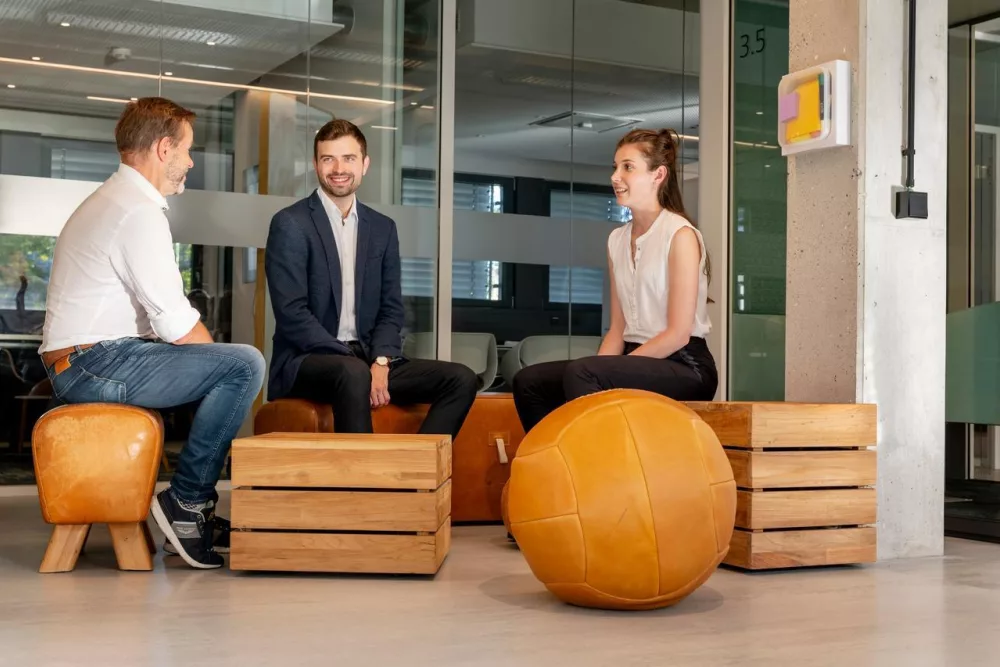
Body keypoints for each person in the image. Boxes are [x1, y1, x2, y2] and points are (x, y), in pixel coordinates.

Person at [39, 97, 265, 570]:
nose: (190, 161)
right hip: (95, 363)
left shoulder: (113, 200)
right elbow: (177, 324)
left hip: (85, 360)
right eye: (186, 149)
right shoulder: (137, 212)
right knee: (244, 364)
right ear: (163, 148)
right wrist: (222, 371)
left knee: (226, 366)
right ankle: (186, 503)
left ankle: (191, 507)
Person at [265, 119, 477, 438]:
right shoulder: (291, 224)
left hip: (367, 356)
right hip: (308, 360)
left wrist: (380, 361)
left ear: (365, 164)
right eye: (328, 159)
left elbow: (391, 308)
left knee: (461, 378)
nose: (339, 168)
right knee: (352, 372)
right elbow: (293, 315)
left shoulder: (382, 228)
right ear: (315, 164)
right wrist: (355, 362)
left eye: (349, 158)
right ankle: (361, 484)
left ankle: (414, 473)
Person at [512, 128, 718, 432]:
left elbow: (677, 334)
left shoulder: (680, 235)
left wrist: (606, 370)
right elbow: (618, 329)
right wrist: (603, 368)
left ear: (657, 175)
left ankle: (596, 467)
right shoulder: (617, 240)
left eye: (628, 167)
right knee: (529, 381)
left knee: (584, 372)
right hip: (635, 357)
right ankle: (557, 462)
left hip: (684, 365)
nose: (615, 176)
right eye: (615, 166)